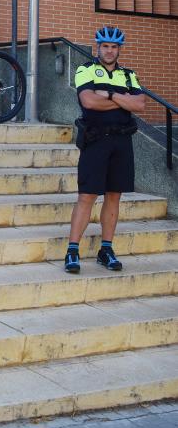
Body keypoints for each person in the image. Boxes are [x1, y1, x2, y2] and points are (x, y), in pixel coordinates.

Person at [64, 26, 145, 275]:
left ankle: (106, 249)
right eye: (105, 46)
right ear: (98, 47)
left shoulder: (129, 75)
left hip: (122, 142)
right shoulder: (85, 70)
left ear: (119, 49)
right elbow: (88, 101)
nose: (110, 51)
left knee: (114, 196)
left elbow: (140, 104)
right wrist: (123, 101)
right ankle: (72, 250)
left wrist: (108, 94)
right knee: (87, 196)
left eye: (114, 46)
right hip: (95, 140)